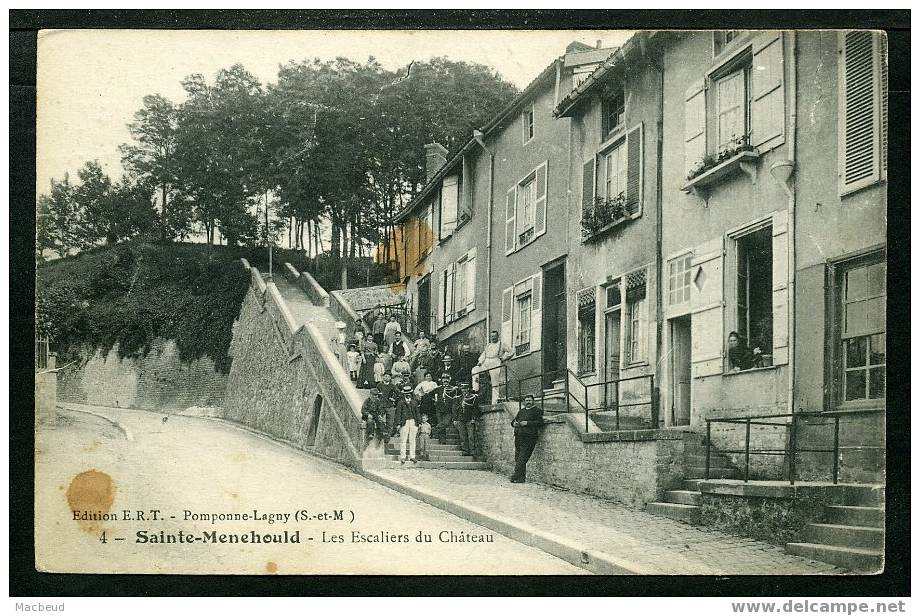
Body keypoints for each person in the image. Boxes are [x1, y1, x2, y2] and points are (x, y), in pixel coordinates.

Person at [510, 394, 544, 483]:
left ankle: (515, 475)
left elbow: (540, 422)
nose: (528, 402)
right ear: (524, 402)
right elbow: (514, 421)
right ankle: (521, 478)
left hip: (529, 437)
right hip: (518, 436)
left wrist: (527, 423)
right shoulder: (521, 411)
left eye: (530, 400)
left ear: (533, 401)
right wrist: (514, 424)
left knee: (523, 457)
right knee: (518, 458)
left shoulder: (537, 411)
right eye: (526, 400)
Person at [478, 330, 514, 404]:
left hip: (495, 362)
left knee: (495, 383)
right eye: (492, 336)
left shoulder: (502, 344)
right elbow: (483, 355)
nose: (493, 338)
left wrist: (505, 358)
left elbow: (512, 351)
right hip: (486, 362)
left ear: (498, 336)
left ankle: (494, 401)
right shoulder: (488, 345)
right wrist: (480, 362)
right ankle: (475, 389)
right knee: (475, 371)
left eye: (494, 336)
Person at [395, 384, 420, 464]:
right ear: (404, 394)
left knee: (412, 440)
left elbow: (417, 413)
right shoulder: (400, 402)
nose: (408, 395)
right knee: (403, 440)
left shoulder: (414, 402)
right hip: (404, 422)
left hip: (413, 421)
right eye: (406, 393)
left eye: (409, 393)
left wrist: (418, 422)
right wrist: (398, 423)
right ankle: (403, 456)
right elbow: (398, 414)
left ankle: (412, 456)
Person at [458, 381, 480, 456]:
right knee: (463, 436)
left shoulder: (473, 397)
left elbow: (475, 409)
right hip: (461, 419)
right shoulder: (459, 398)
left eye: (465, 389)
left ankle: (472, 451)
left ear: (468, 389)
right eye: (462, 389)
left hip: (469, 419)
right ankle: (465, 450)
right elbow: (457, 408)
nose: (464, 390)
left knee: (471, 436)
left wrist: (474, 418)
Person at [376, 372, 398, 437]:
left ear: (390, 378)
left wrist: (394, 399)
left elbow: (398, 394)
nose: (386, 378)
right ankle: (380, 434)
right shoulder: (379, 385)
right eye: (385, 376)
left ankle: (388, 436)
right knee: (379, 420)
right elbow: (375, 393)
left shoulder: (392, 386)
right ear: (383, 377)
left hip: (389, 405)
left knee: (390, 422)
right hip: (381, 405)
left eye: (388, 377)